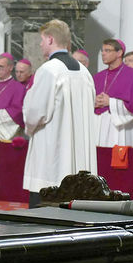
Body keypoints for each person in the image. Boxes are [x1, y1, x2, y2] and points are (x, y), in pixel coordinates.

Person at [22, 19, 96, 204]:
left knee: (45, 217)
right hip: (80, 162)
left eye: (41, 39)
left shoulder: (48, 70)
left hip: (52, 160)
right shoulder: (85, 72)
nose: (40, 44)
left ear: (50, 39)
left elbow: (36, 113)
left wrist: (28, 128)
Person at [92, 38, 133, 147]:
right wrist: (94, 102)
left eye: (107, 50)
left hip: (121, 128)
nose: (103, 53)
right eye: (102, 50)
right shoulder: (98, 76)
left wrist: (110, 102)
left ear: (119, 53)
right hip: (99, 126)